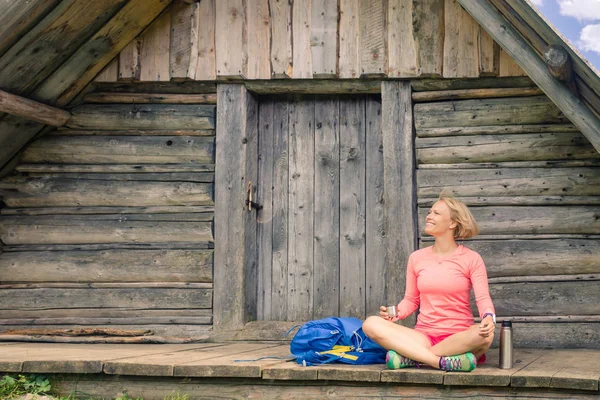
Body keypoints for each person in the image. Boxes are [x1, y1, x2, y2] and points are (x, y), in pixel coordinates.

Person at [362, 193, 496, 372]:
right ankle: (438, 362)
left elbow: (483, 298)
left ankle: (411, 357)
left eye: (436, 213)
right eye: (430, 212)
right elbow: (411, 300)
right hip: (423, 335)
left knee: (485, 336)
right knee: (370, 324)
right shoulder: (417, 258)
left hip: (458, 337)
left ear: (452, 223)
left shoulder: (472, 259)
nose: (429, 216)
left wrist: (488, 317)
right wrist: (397, 313)